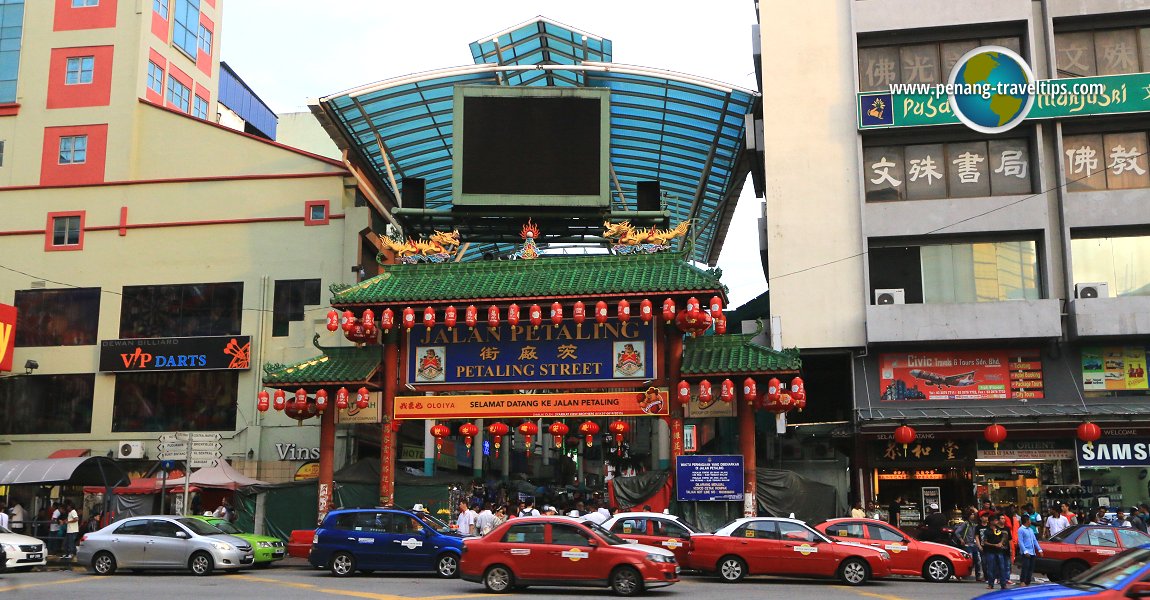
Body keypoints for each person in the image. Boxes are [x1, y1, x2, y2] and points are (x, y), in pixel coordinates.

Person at [981, 514, 1013, 590]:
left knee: (1002, 568)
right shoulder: (987, 531)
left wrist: (1001, 543)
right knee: (991, 568)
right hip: (990, 551)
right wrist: (994, 545)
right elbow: (984, 542)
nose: (997, 521)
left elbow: (1004, 537)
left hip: (999, 551)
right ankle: (991, 584)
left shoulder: (999, 530)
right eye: (995, 520)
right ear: (991, 521)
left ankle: (1003, 584)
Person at [953, 510, 982, 581]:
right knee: (970, 560)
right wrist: (961, 540)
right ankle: (965, 574)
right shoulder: (965, 524)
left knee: (978, 560)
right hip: (967, 545)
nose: (973, 516)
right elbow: (957, 532)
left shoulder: (975, 524)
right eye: (971, 514)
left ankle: (977, 576)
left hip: (974, 544)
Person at [1015, 513, 1042, 586]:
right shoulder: (1021, 529)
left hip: (1032, 551)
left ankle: (1028, 581)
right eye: (1030, 520)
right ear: (1026, 521)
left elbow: (1034, 540)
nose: (1031, 521)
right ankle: (1022, 580)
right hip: (1026, 551)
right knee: (1025, 567)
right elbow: (1020, 541)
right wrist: (1025, 551)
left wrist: (1039, 549)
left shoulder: (1030, 529)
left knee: (1031, 567)